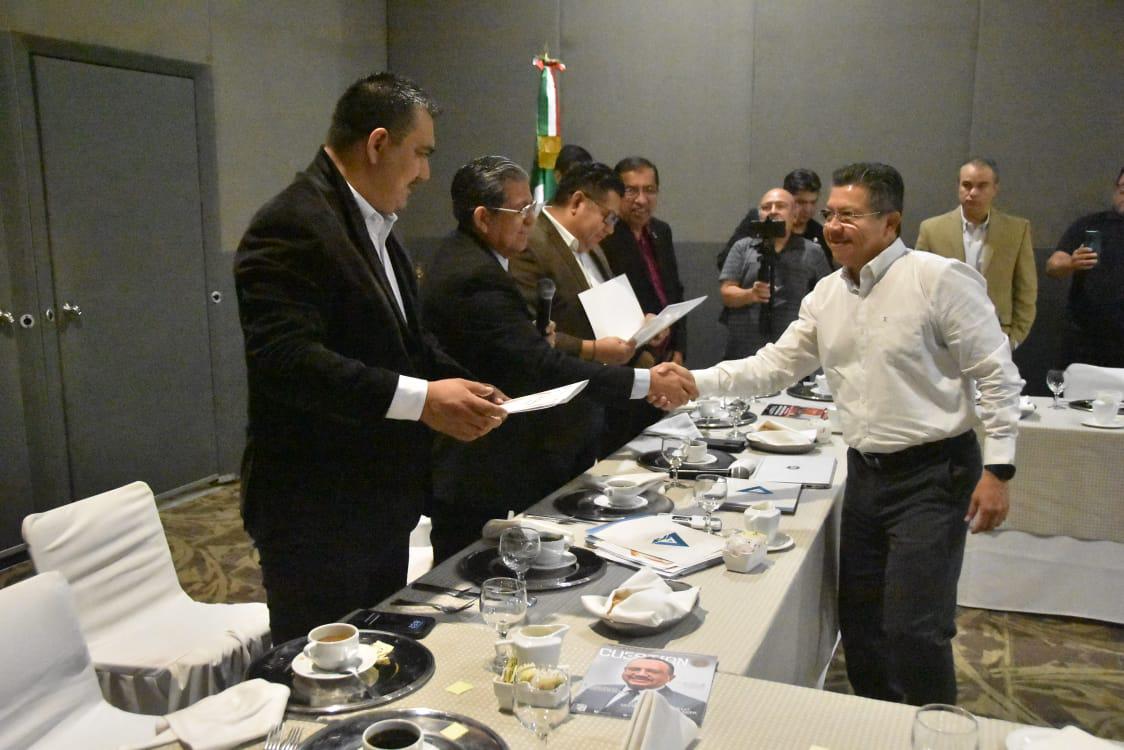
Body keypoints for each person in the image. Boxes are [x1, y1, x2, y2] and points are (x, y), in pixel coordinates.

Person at [688, 163, 1022, 706]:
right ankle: (874, 725)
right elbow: (775, 366)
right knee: (860, 625)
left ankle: (933, 731)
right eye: (830, 214)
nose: (833, 227)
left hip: (934, 475)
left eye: (849, 215)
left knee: (915, 630)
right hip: (865, 475)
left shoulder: (938, 279)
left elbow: (996, 374)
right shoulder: (826, 295)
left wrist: (999, 468)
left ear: (890, 223)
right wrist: (694, 382)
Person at [233, 73, 508, 643]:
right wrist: (423, 400)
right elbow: (286, 360)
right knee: (323, 672)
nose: (426, 174)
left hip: (378, 498)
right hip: (317, 508)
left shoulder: (376, 224)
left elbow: (406, 342)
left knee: (379, 656)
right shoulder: (292, 222)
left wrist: (462, 384)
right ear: (379, 143)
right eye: (422, 153)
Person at [421, 156, 697, 560]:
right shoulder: (474, 272)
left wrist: (535, 335)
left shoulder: (477, 258)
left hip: (516, 443)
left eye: (531, 207)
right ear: (483, 218)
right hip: (478, 456)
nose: (530, 219)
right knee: (469, 570)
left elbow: (506, 345)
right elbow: (539, 363)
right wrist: (646, 382)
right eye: (520, 210)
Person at [508, 162, 643, 470]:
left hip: (589, 407)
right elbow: (529, 330)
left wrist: (640, 325)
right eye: (608, 217)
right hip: (551, 415)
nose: (610, 229)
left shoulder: (591, 247)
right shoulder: (530, 243)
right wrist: (593, 349)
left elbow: (603, 310)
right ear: (578, 201)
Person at [599, 156, 687, 451]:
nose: (641, 199)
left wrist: (679, 349)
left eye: (649, 190)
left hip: (667, 358)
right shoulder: (606, 236)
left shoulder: (661, 231)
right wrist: (643, 356)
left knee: (662, 446)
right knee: (625, 449)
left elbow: (675, 292)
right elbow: (607, 305)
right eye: (631, 190)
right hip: (630, 363)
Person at [916, 158, 1037, 350]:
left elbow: (1026, 290)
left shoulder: (1016, 230)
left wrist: (1014, 339)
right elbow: (917, 286)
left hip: (996, 334)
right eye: (967, 185)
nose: (973, 192)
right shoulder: (932, 229)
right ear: (958, 187)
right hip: (942, 337)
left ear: (995, 189)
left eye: (982, 186)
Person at [718, 187, 832, 359]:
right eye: (766, 207)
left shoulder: (813, 252)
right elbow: (726, 293)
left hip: (793, 351)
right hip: (744, 349)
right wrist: (751, 294)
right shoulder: (742, 247)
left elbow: (828, 297)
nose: (772, 211)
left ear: (794, 215)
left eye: (780, 206)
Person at [1045, 167, 1124, 367]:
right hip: (1087, 339)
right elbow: (1053, 265)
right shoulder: (1092, 224)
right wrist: (1072, 262)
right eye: (1122, 189)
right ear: (1115, 189)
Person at [718, 168, 831, 270]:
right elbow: (725, 261)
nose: (808, 209)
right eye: (801, 202)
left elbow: (827, 277)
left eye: (813, 202)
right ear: (786, 198)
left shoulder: (818, 232)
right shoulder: (759, 220)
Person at [573, 656, 706, 725]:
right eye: (634, 669)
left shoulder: (691, 704)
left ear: (670, 678)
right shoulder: (594, 690)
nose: (640, 674)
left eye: (652, 671)